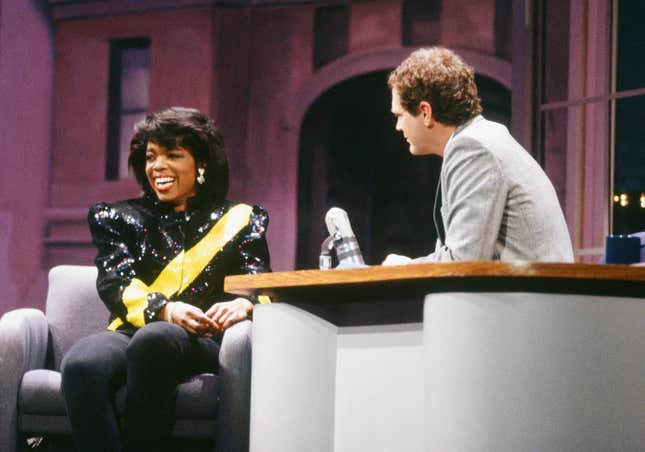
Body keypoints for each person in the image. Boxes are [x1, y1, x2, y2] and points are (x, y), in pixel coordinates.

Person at [61, 107, 270, 452]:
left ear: (201, 163)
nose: (158, 166)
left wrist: (243, 303)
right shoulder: (117, 216)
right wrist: (165, 310)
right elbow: (115, 282)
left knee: (155, 340)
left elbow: (259, 281)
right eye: (151, 156)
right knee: (83, 363)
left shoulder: (241, 219)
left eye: (173, 155)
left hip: (201, 335)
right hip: (134, 327)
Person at [383, 47, 574, 264]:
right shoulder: (480, 138)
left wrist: (405, 268)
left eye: (400, 115)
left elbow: (463, 261)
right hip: (525, 291)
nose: (398, 126)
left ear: (425, 112)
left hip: (528, 295)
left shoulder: (472, 148)